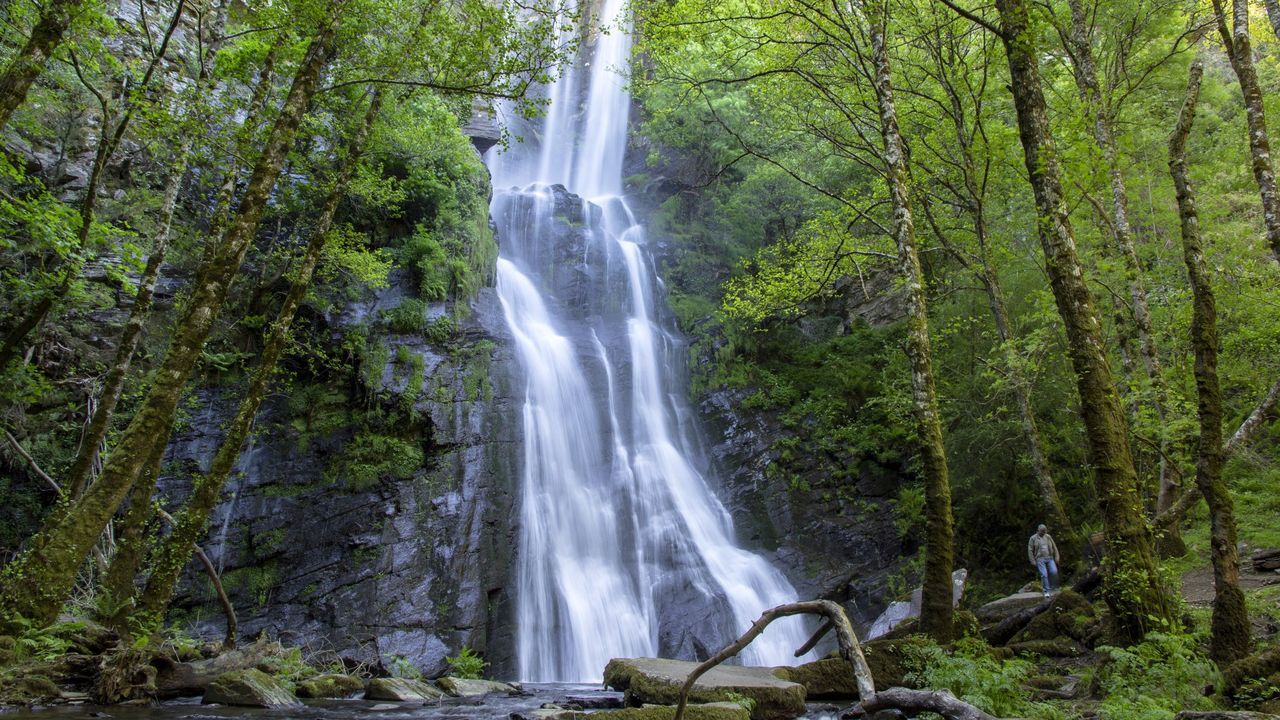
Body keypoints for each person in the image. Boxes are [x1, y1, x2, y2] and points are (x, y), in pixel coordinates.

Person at [1027, 523, 1059, 598]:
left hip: (1050, 558)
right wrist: (1032, 561)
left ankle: (1053, 588)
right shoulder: (1033, 538)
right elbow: (1030, 550)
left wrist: (1057, 556)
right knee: (1044, 575)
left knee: (1054, 571)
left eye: (1045, 531)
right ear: (1038, 531)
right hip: (1040, 559)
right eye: (1042, 531)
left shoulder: (1048, 537)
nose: (1044, 532)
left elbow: (1054, 546)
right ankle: (1046, 591)